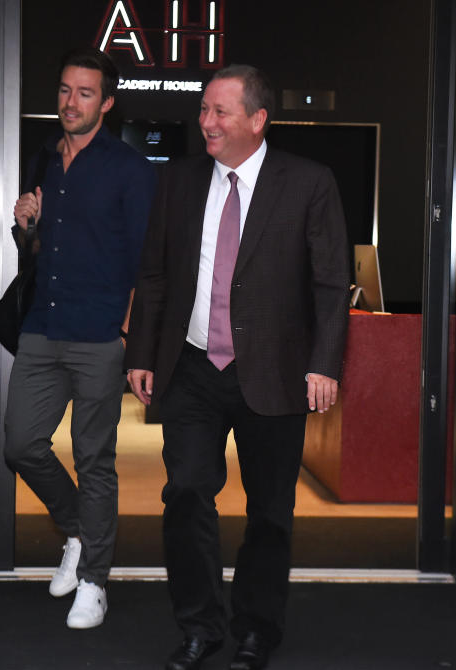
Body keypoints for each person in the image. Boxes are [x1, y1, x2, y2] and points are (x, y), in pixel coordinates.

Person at [125, 65, 349, 670]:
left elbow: (331, 284)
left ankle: (257, 630)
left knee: (270, 510)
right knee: (187, 494)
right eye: (203, 110)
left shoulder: (308, 182)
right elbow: (154, 273)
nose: (207, 122)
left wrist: (324, 363)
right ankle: (200, 627)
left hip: (273, 371)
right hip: (192, 367)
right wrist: (142, 354)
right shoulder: (178, 179)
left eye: (220, 112)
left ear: (258, 119)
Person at [3, 48, 156, 630]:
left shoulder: (130, 169)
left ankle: (94, 579)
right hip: (43, 326)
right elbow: (41, 254)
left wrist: (128, 333)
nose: (72, 102)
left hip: (99, 336)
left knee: (96, 460)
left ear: (107, 103)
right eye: (66, 90)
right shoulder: (46, 161)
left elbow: (150, 261)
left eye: (85, 93)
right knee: (21, 445)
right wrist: (27, 230)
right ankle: (76, 531)